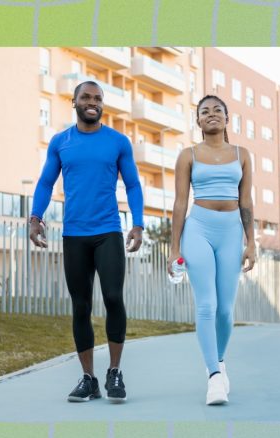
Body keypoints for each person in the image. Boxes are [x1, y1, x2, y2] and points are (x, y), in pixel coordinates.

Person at [29, 81, 144, 403]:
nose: (92, 102)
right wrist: (35, 218)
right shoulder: (60, 142)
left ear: (102, 104)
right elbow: (46, 182)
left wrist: (137, 224)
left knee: (112, 298)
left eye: (97, 98)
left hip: (108, 232)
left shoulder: (118, 142)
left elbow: (133, 185)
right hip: (74, 234)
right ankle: (88, 378)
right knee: (80, 306)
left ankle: (115, 372)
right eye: (86, 97)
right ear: (74, 102)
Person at [168, 95, 256, 405]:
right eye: (204, 111)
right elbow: (180, 203)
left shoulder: (242, 154)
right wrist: (174, 248)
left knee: (224, 309)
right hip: (199, 230)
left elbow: (246, 201)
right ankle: (214, 377)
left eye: (217, 110)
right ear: (198, 121)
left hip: (232, 232)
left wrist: (251, 242)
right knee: (206, 305)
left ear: (227, 118)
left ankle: (219, 361)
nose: (212, 114)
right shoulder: (187, 155)